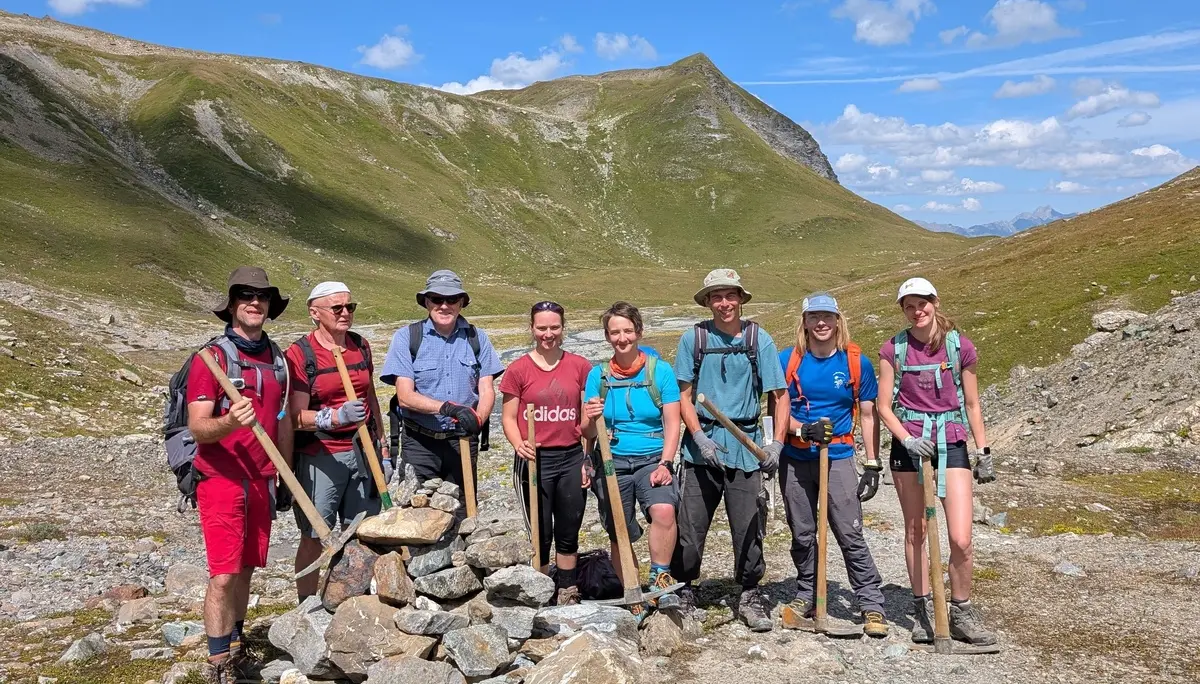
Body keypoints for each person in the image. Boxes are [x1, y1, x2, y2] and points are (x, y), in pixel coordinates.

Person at [186, 267, 292, 684]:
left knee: (247, 568)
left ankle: (234, 643)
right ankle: (218, 665)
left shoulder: (277, 358)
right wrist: (230, 422)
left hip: (263, 478)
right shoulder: (210, 359)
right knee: (224, 573)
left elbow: (281, 421)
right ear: (231, 304)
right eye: (245, 295)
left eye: (262, 296)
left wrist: (282, 474)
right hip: (222, 478)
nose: (254, 302)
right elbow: (198, 425)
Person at [878, 277, 997, 646]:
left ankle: (960, 609)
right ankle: (923, 608)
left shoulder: (960, 346)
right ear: (903, 309)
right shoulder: (892, 349)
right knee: (916, 531)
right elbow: (883, 406)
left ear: (935, 302)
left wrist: (984, 451)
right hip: (909, 446)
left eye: (922, 303)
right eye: (909, 306)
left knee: (961, 538)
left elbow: (973, 404)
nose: (917, 312)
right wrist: (908, 439)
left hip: (951, 442)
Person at [671, 268, 789, 632]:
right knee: (690, 525)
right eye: (716, 297)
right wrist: (698, 436)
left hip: (746, 446)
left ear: (740, 299)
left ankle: (750, 592)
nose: (724, 303)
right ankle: (684, 587)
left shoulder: (759, 339)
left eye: (730, 296)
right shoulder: (694, 339)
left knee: (749, 525)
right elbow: (684, 395)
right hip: (701, 448)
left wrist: (777, 443)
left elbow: (779, 396)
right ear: (707, 302)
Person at [774, 293, 889, 637]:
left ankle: (870, 603)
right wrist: (799, 429)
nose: (821, 323)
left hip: (837, 456)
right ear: (804, 322)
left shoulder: (856, 363)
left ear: (838, 320)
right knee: (803, 532)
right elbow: (776, 411)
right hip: (796, 457)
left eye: (827, 316)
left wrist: (872, 463)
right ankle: (808, 593)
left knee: (849, 530)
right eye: (814, 317)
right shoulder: (787, 360)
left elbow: (868, 415)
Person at [285, 281, 387, 602]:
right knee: (315, 535)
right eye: (337, 308)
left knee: (366, 531)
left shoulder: (361, 346)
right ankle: (307, 605)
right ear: (315, 313)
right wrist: (332, 416)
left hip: (363, 451)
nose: (346, 313)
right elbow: (295, 416)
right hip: (321, 454)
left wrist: (382, 440)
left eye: (350, 307)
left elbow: (369, 396)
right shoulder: (300, 354)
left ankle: (360, 601)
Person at [583, 302, 682, 617]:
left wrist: (666, 464)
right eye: (615, 332)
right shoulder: (597, 376)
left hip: (652, 457)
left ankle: (660, 575)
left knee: (664, 510)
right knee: (618, 528)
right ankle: (632, 591)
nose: (622, 337)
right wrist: (589, 418)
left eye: (627, 330)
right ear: (607, 336)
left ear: (638, 332)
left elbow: (672, 422)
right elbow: (586, 430)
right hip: (611, 461)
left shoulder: (660, 371)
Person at [500, 300, 596, 606]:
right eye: (542, 328)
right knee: (540, 534)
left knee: (569, 527)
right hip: (533, 459)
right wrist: (518, 443)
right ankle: (539, 592)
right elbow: (507, 417)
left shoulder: (580, 366)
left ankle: (567, 590)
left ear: (563, 328)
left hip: (570, 456)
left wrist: (587, 455)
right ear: (532, 329)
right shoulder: (518, 370)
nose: (548, 333)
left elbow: (586, 420)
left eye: (554, 327)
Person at [380, 270, 503, 506]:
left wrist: (477, 420)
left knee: (463, 512)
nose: (444, 306)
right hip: (420, 444)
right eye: (437, 299)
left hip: (463, 442)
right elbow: (405, 397)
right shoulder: (407, 337)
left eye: (451, 299)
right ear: (426, 302)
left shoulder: (478, 338)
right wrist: (448, 408)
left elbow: (487, 389)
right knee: (417, 515)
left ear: (461, 303)